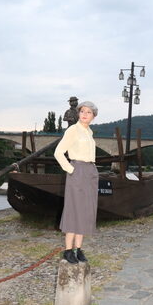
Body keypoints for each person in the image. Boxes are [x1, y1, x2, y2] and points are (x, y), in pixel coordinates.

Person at [54, 101, 99, 263]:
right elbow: (58, 152)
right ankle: (68, 251)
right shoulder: (73, 130)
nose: (85, 114)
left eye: (89, 112)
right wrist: (71, 169)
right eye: (82, 111)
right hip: (78, 170)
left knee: (86, 211)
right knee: (74, 210)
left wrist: (92, 172)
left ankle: (78, 249)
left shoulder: (89, 132)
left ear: (93, 116)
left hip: (90, 172)